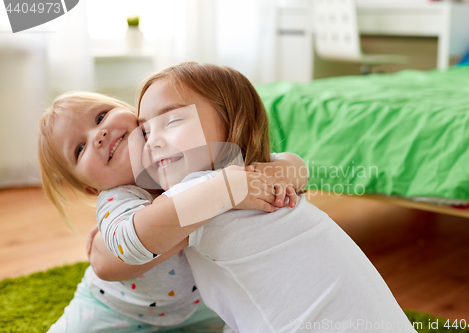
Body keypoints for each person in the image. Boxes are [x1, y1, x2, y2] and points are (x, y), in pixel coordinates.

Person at [94, 62, 417, 333]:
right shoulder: (259, 178)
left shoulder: (202, 189)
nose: (152, 143)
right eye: (146, 132)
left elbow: (130, 244)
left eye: (173, 120)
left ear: (233, 122)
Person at [38, 91, 308, 333]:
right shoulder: (116, 200)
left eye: (100, 116)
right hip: (117, 312)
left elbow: (296, 167)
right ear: (90, 189)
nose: (98, 135)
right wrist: (223, 194)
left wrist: (269, 174)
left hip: (201, 305)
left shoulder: (183, 154)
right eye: (79, 148)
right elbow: (133, 240)